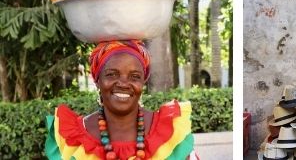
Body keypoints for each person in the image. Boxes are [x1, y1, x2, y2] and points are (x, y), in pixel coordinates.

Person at [46, 40, 199, 159]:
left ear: (143, 82)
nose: (123, 84)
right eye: (112, 74)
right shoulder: (72, 138)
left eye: (135, 77)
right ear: (97, 80)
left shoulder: (171, 133)